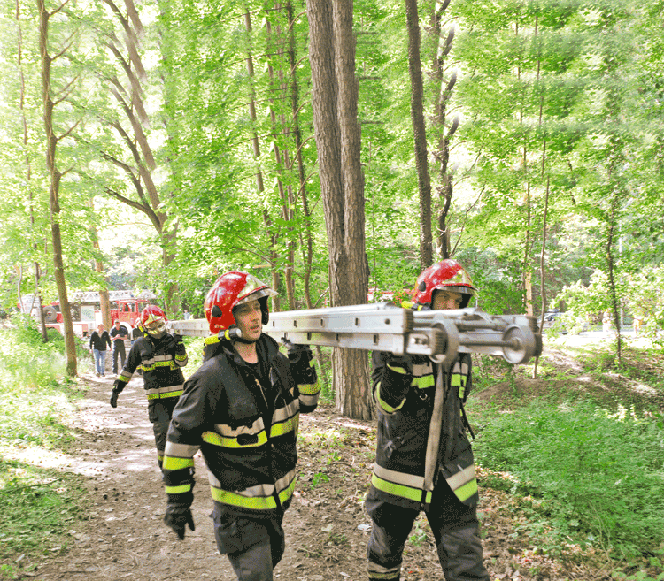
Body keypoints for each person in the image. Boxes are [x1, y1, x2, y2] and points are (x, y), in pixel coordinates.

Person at [161, 271, 319, 581]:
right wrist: (178, 500)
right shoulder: (211, 378)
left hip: (276, 504)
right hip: (240, 513)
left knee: (270, 564)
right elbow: (179, 441)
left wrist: (303, 366)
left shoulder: (277, 362)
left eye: (258, 307)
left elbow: (309, 404)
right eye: (245, 309)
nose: (255, 316)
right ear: (226, 318)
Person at [366, 259, 490, 581]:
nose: (451, 307)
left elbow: (458, 400)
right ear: (426, 297)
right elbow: (384, 403)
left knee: (468, 566)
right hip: (399, 471)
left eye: (458, 300)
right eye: (444, 298)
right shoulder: (393, 334)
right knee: (384, 560)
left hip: (452, 472)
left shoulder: (462, 345)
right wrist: (398, 359)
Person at [110, 306, 188, 468]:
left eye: (159, 325)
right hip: (157, 402)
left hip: (178, 400)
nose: (157, 331)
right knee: (162, 435)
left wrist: (180, 347)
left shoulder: (173, 340)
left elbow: (182, 362)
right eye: (152, 327)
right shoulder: (140, 345)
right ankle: (166, 468)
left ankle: (185, 467)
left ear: (164, 322)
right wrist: (116, 390)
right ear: (144, 328)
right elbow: (127, 370)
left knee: (182, 435)